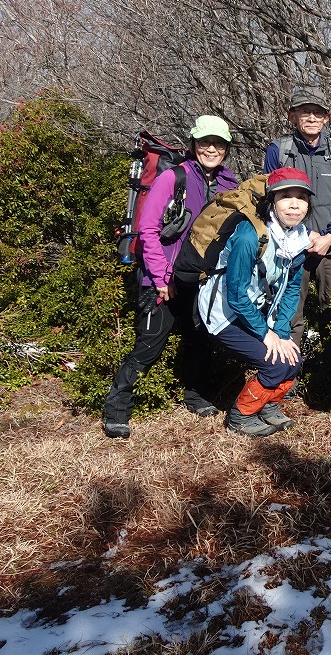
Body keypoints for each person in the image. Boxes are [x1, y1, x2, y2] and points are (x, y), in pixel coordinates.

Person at [103, 115, 240, 439]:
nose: (211, 149)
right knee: (149, 346)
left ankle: (194, 395)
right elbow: (148, 230)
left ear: (226, 149)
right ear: (194, 144)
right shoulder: (173, 177)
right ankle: (117, 409)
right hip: (162, 280)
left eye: (218, 144)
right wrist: (162, 278)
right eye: (205, 142)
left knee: (200, 340)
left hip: (201, 279)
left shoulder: (229, 184)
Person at [199, 167, 314, 436]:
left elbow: (292, 288)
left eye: (302, 197)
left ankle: (268, 405)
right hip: (223, 311)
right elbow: (236, 294)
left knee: (292, 359)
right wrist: (265, 334)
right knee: (275, 364)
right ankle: (241, 416)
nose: (295, 204)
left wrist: (281, 331)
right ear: (271, 200)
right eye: (286, 196)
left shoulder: (297, 237)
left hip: (252, 307)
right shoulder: (249, 236)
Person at [263, 88, 331, 347]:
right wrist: (303, 234)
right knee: (290, 315)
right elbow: (268, 199)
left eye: (318, 113)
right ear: (292, 116)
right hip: (289, 247)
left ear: (326, 118)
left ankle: (330, 369)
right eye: (305, 112)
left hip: (330, 247)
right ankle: (288, 369)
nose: (312, 118)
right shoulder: (278, 150)